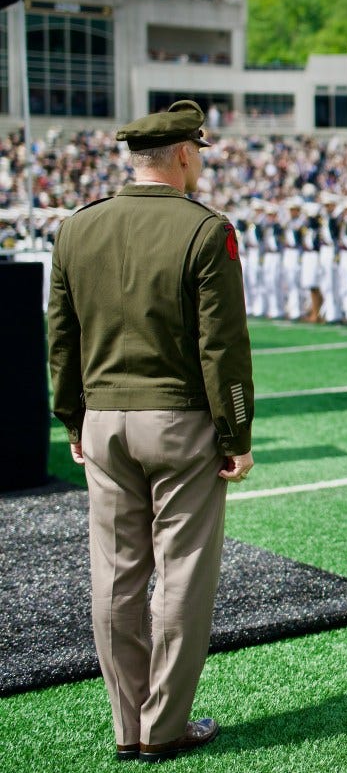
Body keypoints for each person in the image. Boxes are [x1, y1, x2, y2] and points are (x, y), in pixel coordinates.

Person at [46, 100, 254, 763]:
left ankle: (125, 722)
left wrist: (71, 415)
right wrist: (237, 431)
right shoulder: (205, 229)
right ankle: (163, 725)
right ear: (186, 154)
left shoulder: (77, 228)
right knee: (182, 575)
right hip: (180, 420)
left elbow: (61, 336)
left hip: (105, 418)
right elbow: (222, 346)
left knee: (114, 575)